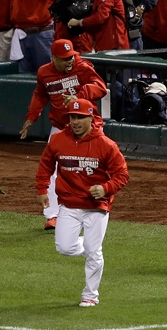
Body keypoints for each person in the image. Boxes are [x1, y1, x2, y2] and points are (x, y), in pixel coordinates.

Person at [35, 98, 130, 307]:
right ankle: (88, 247)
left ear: (91, 118)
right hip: (69, 204)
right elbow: (45, 166)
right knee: (65, 247)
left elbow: (122, 174)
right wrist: (42, 189)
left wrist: (106, 188)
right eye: (72, 117)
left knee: (94, 252)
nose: (75, 121)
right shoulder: (59, 140)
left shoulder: (106, 145)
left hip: (97, 208)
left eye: (80, 117)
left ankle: (90, 295)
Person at [22, 39, 107, 230]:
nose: (69, 62)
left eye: (71, 57)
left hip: (88, 126)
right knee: (51, 169)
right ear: (53, 58)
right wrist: (32, 115)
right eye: (64, 59)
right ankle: (52, 215)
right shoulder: (45, 72)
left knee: (91, 166)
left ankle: (93, 209)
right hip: (61, 126)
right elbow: (41, 94)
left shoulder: (82, 67)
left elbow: (101, 87)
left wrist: (81, 94)